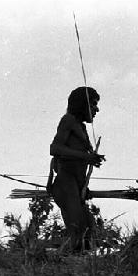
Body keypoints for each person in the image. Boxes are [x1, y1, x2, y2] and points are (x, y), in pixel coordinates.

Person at [49, 86, 105, 252]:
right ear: (82, 105)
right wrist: (87, 157)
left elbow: (78, 158)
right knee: (79, 235)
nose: (96, 109)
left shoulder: (81, 127)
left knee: (89, 235)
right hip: (66, 185)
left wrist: (92, 159)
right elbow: (55, 149)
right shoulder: (68, 120)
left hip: (76, 186)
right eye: (93, 105)